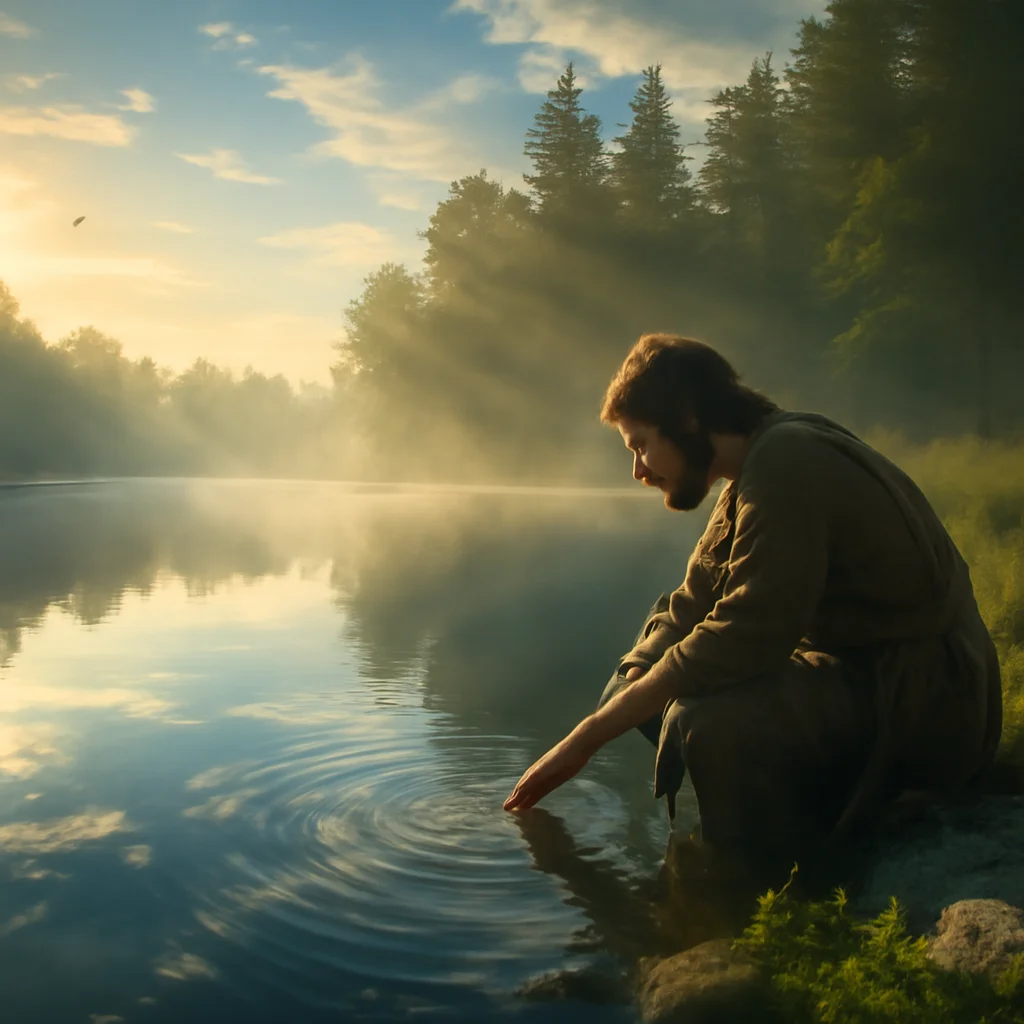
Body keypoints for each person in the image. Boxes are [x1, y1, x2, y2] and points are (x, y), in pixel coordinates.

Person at [503, 334, 1003, 852]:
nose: (639, 470)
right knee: (632, 692)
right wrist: (626, 686)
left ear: (689, 419)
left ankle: (760, 873)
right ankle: (770, 808)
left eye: (641, 445)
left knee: (702, 722)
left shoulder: (788, 459)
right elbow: (693, 600)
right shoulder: (748, 471)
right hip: (865, 675)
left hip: (927, 698)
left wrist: (585, 739)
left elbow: (748, 632)